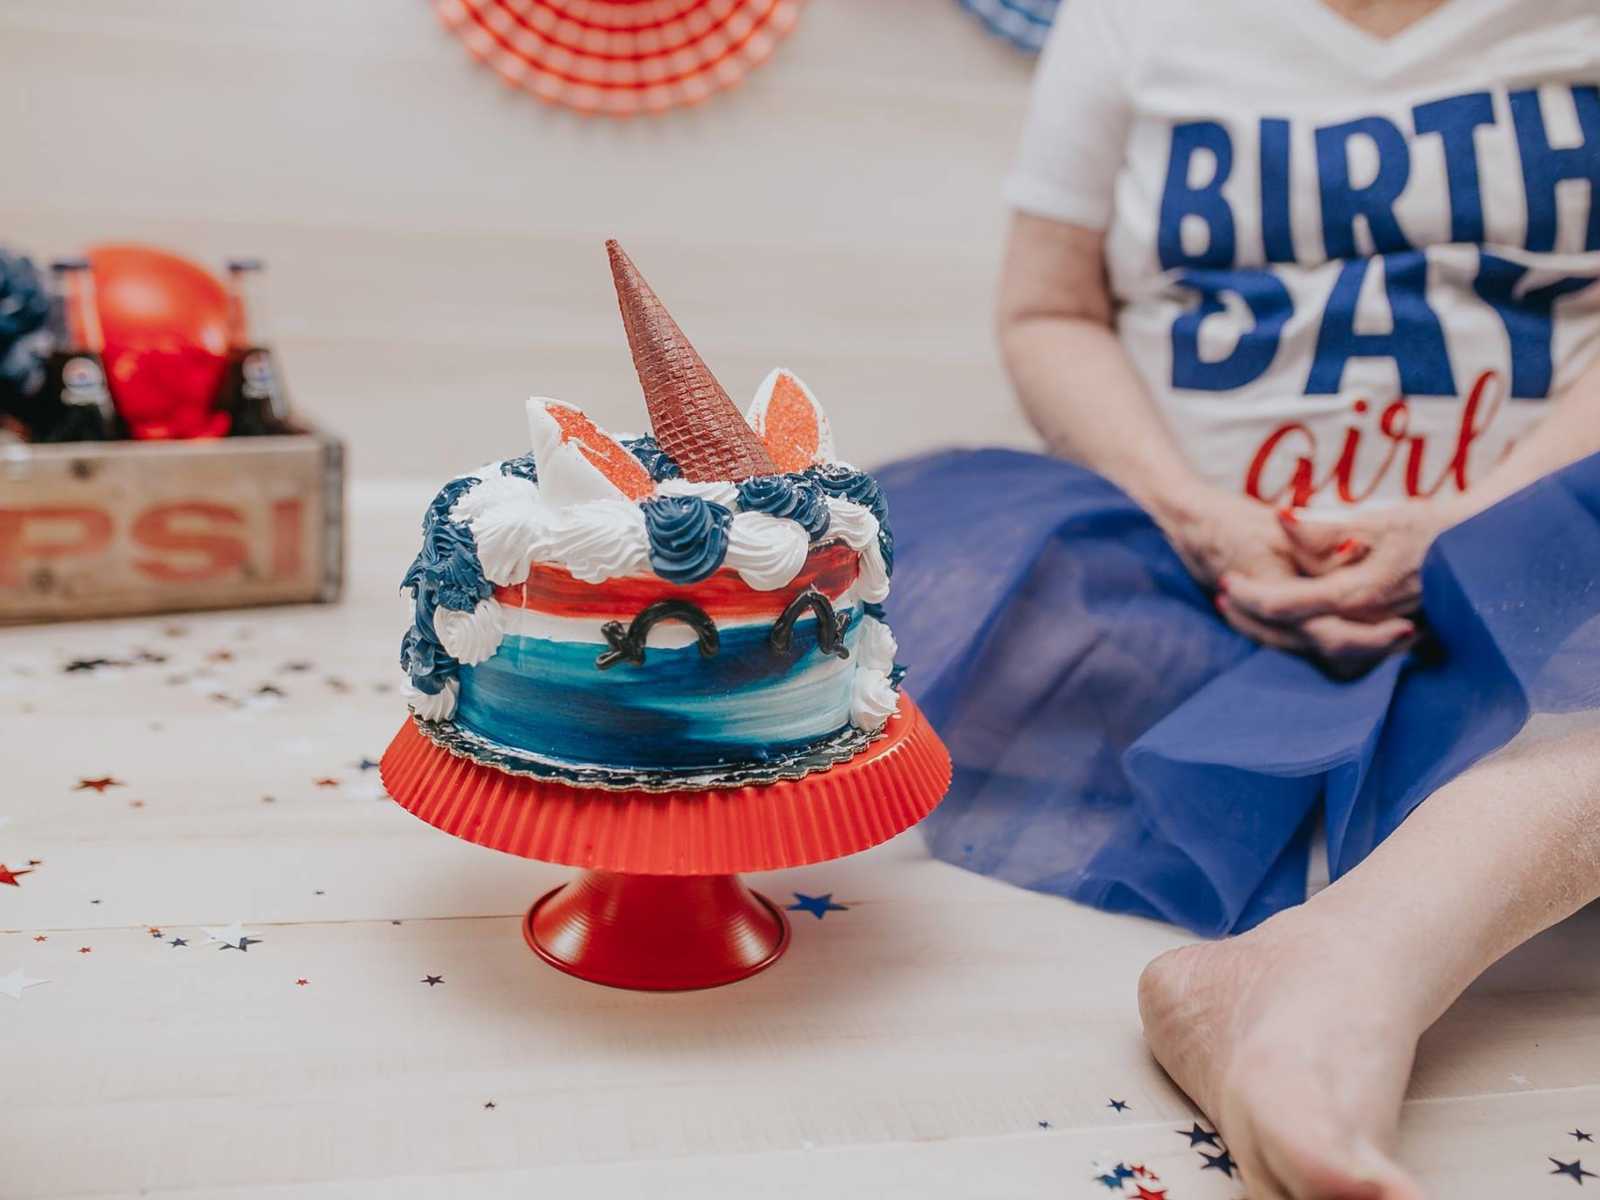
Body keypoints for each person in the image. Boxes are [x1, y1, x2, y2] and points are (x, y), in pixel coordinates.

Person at [878, 1, 1600, 1195]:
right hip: (1190, 593)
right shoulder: (1130, 21)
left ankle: (1348, 963)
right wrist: (1190, 514)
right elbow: (1047, 310)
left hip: (1542, 606)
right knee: (892, 578)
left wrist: (1488, 517)